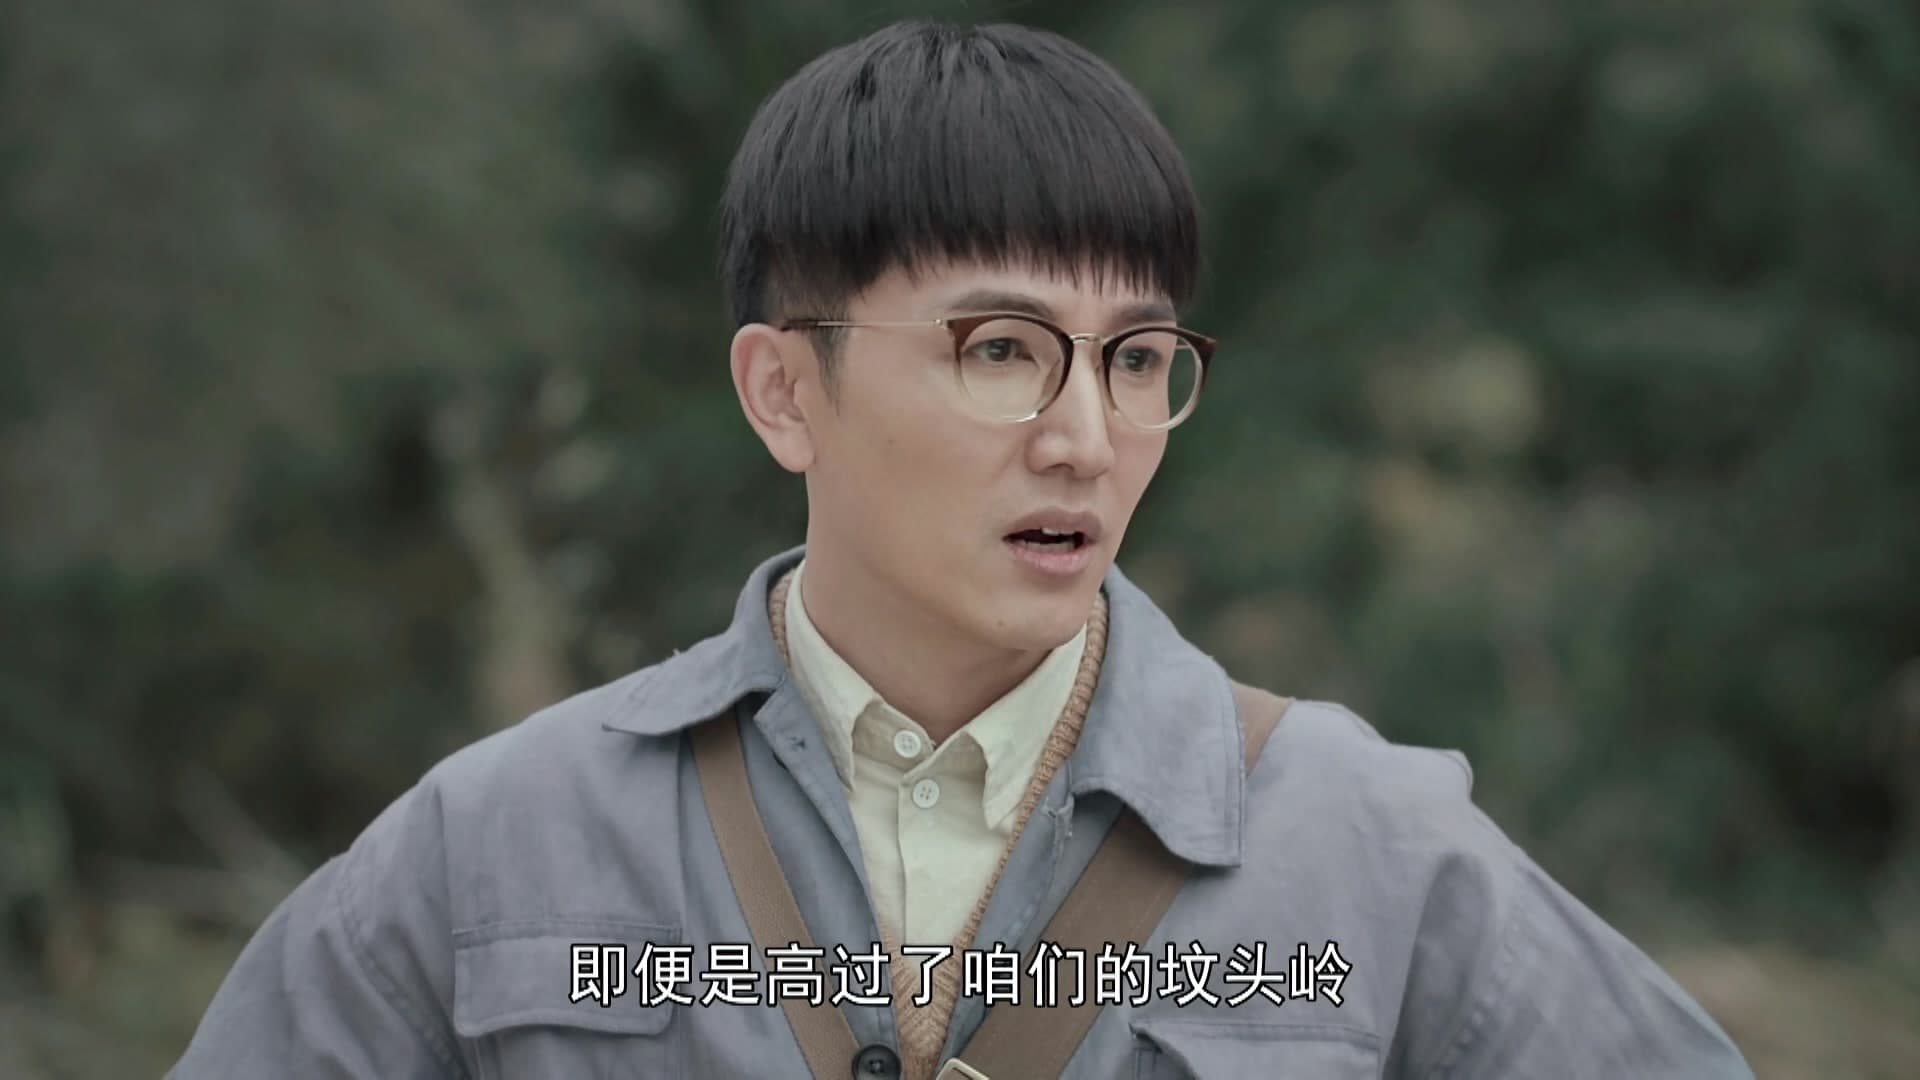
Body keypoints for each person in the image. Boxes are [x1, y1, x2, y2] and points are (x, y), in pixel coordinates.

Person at [172, 19, 1753, 1079]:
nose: (1086, 435)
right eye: (1002, 349)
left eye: (1138, 359)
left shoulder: (1366, 847)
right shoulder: (503, 846)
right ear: (784, 390)